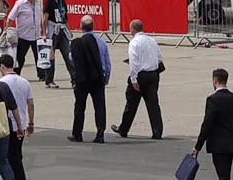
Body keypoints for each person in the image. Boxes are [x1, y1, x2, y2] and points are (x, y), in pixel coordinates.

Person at [189, 68, 233, 180]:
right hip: (232, 139)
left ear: (214, 80)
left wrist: (198, 146)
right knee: (226, 173)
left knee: (223, 176)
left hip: (219, 142)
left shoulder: (213, 99)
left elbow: (207, 123)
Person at [113, 18, 163, 140]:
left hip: (141, 76)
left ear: (132, 29)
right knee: (153, 105)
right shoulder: (151, 40)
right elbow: (160, 58)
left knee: (131, 103)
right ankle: (157, 131)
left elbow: (134, 63)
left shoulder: (134, 43)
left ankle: (124, 129)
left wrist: (134, 79)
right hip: (152, 75)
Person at [66, 14, 109, 143]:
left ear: (81, 27)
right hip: (97, 77)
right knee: (99, 106)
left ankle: (77, 133)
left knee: (80, 106)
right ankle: (100, 133)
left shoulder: (77, 43)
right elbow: (107, 62)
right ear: (93, 26)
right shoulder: (101, 42)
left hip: (82, 78)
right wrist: (106, 77)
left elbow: (72, 58)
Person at [0, 54, 34, 180]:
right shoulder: (24, 82)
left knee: (10, 158)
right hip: (22, 124)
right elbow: (30, 104)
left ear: (1, 66)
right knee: (17, 154)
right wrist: (31, 122)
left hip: (8, 125)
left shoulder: (0, 83)